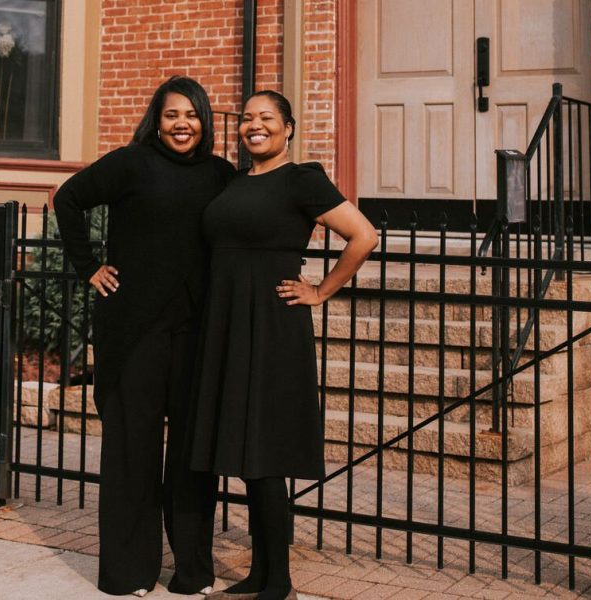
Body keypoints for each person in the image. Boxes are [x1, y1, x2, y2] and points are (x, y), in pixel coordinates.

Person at [190, 90, 378, 600]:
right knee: (249, 454)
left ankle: (280, 583)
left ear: (288, 127)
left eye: (267, 118)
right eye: (248, 118)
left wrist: (321, 291)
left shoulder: (302, 179)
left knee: (267, 453)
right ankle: (260, 572)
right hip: (227, 322)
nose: (254, 126)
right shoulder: (233, 181)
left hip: (273, 324)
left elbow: (364, 235)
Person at [53, 76, 236, 597]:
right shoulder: (132, 163)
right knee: (132, 451)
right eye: (172, 114)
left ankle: (192, 571)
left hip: (196, 332)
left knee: (191, 454)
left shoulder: (223, 175)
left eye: (192, 115)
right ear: (156, 119)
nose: (183, 124)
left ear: (205, 120)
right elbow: (68, 199)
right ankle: (128, 571)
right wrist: (88, 266)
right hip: (133, 330)